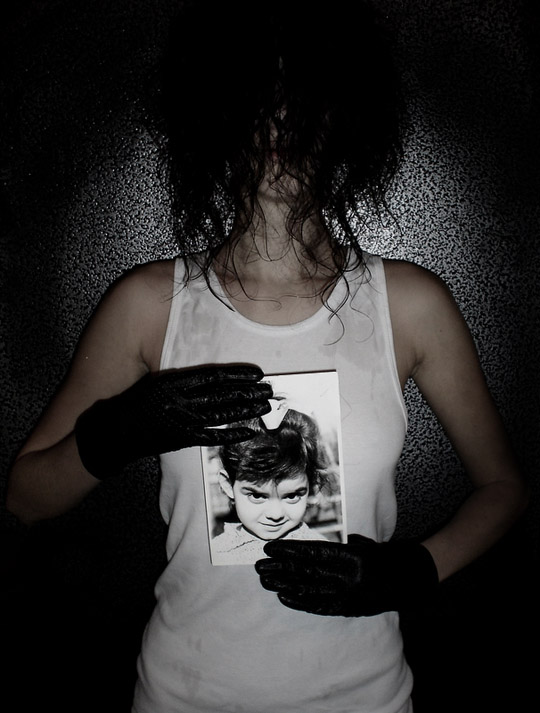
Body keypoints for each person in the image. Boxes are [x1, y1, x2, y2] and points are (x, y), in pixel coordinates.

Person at [6, 1, 528, 712]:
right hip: (182, 695)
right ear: (216, 112)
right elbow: (25, 495)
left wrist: (411, 570)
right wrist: (120, 429)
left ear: (346, 113)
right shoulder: (148, 305)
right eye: (259, 95)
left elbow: (504, 486)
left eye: (304, 95)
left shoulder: (409, 305)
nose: (281, 121)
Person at [210, 407, 336, 565]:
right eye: (257, 496)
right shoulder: (216, 553)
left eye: (292, 496)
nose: (275, 515)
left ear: (311, 485)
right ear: (228, 485)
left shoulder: (321, 553)